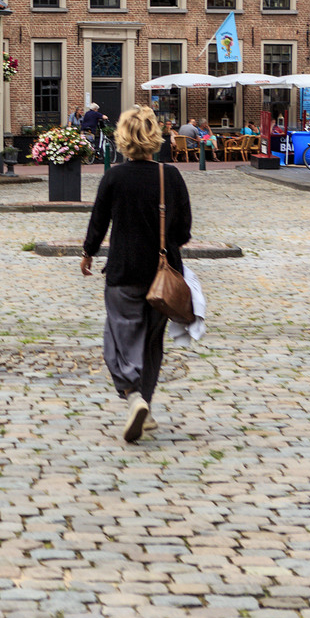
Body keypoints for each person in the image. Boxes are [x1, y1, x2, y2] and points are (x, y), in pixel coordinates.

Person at [80, 106, 191, 443]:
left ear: (123, 138)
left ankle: (134, 397)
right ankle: (148, 407)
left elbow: (98, 222)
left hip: (123, 271)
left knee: (119, 339)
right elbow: (184, 230)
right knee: (151, 343)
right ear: (154, 136)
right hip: (163, 274)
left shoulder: (114, 176)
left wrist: (88, 253)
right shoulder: (169, 176)